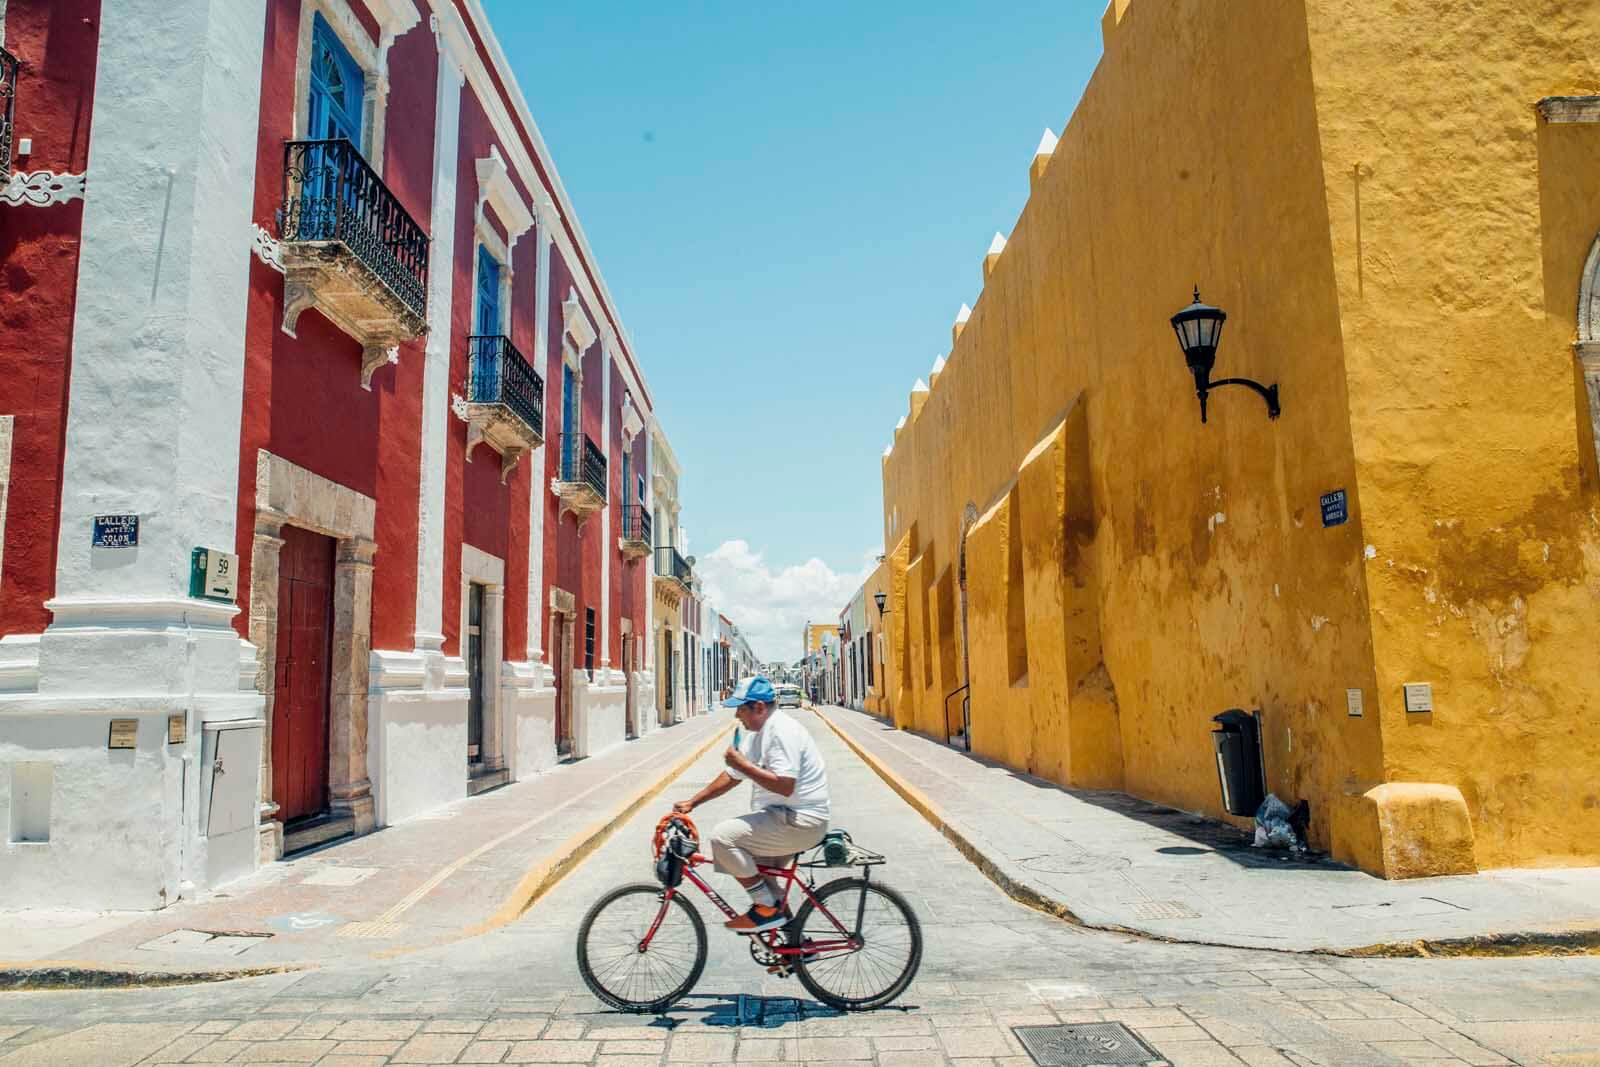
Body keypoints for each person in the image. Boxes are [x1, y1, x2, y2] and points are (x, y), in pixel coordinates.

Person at [673, 675, 830, 933]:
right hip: (783, 818)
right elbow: (733, 776)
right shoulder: (758, 734)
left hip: (800, 821)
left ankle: (766, 910)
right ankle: (796, 945)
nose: (737, 715)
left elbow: (784, 784)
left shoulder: (780, 731)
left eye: (740, 708)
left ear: (758, 707)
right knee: (767, 883)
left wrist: (742, 764)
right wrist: (692, 802)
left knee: (724, 838)